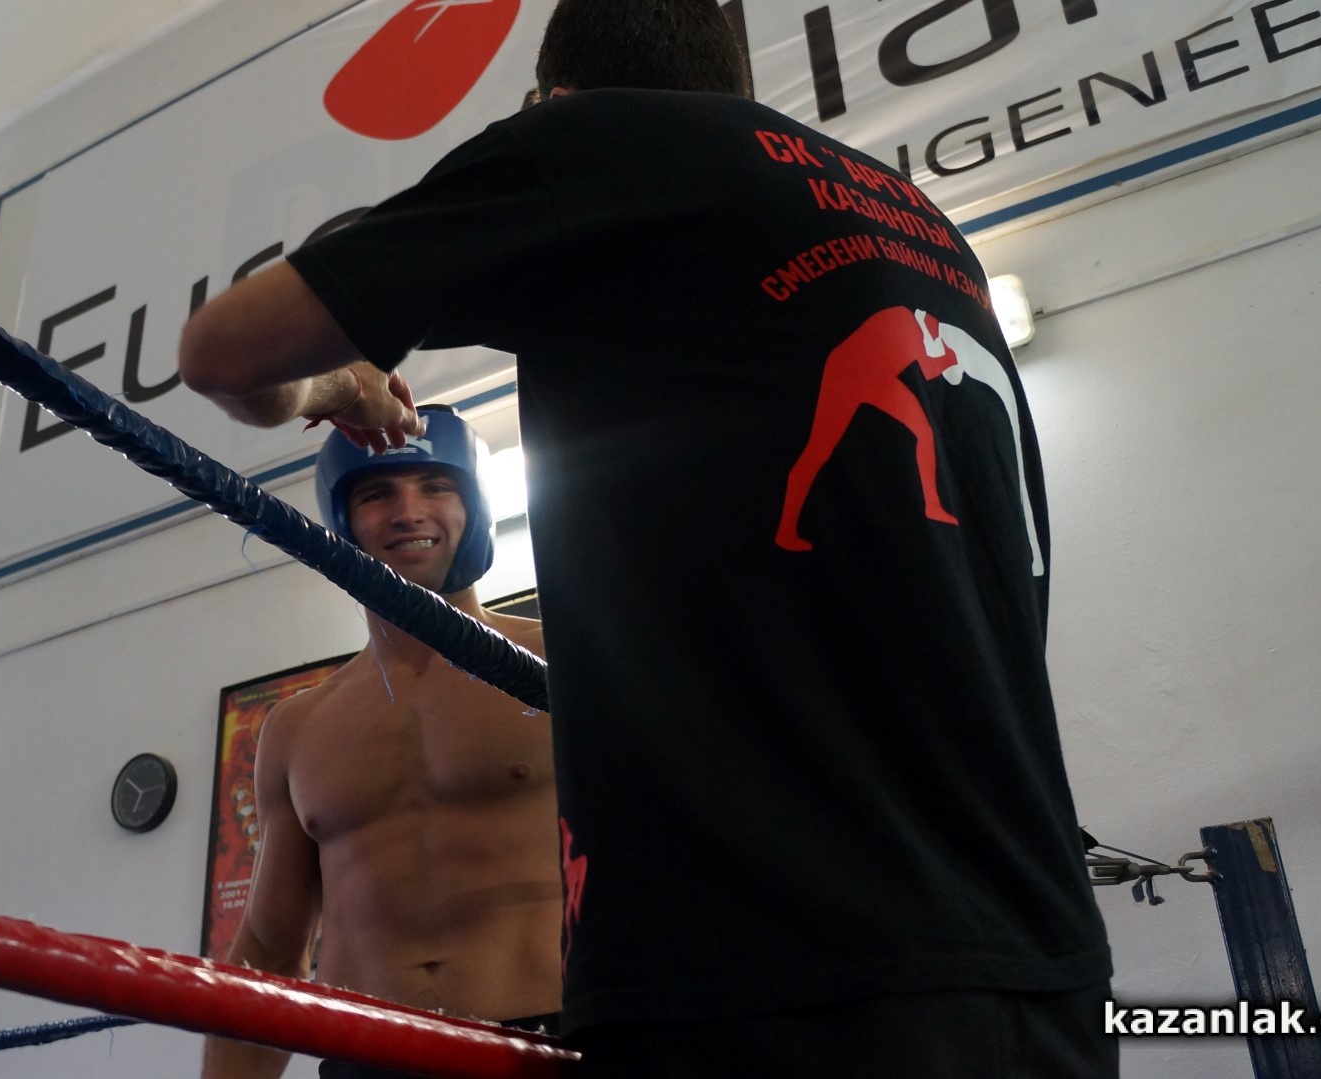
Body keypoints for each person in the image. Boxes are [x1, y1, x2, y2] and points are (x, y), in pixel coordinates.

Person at [178, 0, 1114, 1073]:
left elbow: (224, 352)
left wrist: (343, 383)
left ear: (553, 100)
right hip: (1033, 955)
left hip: (776, 970)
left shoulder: (594, 145)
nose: (407, 511)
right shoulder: (916, 220)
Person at [200, 407, 562, 1079]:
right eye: (377, 494)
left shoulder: (560, 665)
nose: (408, 512)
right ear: (341, 524)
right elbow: (271, 949)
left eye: (436, 486)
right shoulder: (297, 726)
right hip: (366, 1059)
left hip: (548, 1043)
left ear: (476, 508)